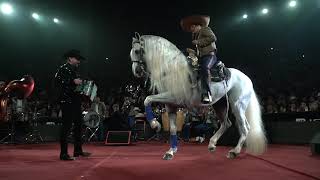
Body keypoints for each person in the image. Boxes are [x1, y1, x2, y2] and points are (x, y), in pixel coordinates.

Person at [54, 49, 91, 161]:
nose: (79, 61)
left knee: (79, 125)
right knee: (66, 126)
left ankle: (78, 150)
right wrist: (72, 81)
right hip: (67, 101)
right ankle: (63, 153)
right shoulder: (63, 69)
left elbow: (76, 86)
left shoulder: (74, 70)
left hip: (75, 100)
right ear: (70, 58)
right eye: (77, 58)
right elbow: (57, 83)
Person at [180, 15, 222, 104]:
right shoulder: (196, 36)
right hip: (201, 57)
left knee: (205, 68)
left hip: (210, 56)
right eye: (191, 28)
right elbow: (200, 51)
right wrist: (191, 51)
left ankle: (207, 93)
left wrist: (198, 42)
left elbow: (213, 38)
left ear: (198, 25)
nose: (192, 29)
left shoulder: (205, 29)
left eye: (192, 27)